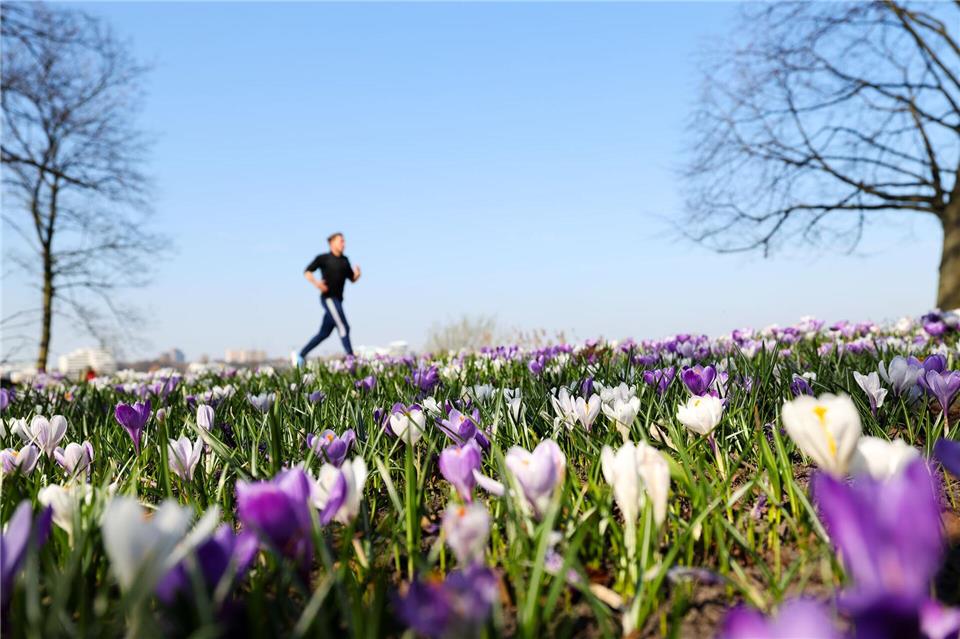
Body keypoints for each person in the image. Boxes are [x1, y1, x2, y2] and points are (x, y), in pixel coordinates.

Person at [292, 232, 361, 366]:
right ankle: (351, 359)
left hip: (338, 301)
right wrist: (317, 284)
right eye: (341, 241)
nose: (344, 244)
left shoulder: (345, 261)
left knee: (324, 333)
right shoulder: (323, 258)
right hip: (329, 298)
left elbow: (352, 279)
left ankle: (301, 355)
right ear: (332, 243)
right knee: (343, 326)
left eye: (344, 241)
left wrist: (357, 275)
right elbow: (307, 271)